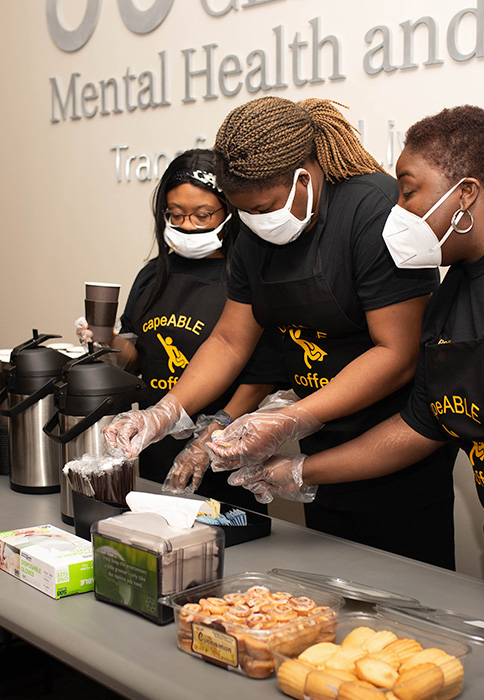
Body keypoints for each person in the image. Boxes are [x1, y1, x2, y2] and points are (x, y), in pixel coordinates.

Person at [104, 97, 458, 569]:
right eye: (242, 211)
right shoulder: (255, 233)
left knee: (403, 591)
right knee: (331, 587)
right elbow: (231, 339)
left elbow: (397, 353)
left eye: (265, 207)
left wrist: (291, 418)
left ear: (304, 180)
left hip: (395, 441)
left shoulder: (372, 211)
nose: (254, 221)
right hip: (321, 441)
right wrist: (167, 412)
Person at [234, 105, 484, 518]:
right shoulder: (446, 302)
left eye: (407, 192)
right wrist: (299, 470)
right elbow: (421, 425)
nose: (396, 210)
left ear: (466, 192)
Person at [78, 149, 286, 507]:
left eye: (202, 215)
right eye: (175, 215)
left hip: (222, 445)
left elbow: (261, 377)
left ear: (229, 211)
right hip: (152, 442)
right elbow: (136, 358)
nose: (187, 225)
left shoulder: (247, 276)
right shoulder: (152, 275)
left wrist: (207, 441)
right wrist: (107, 342)